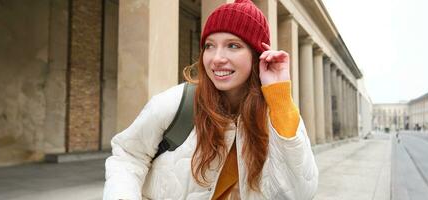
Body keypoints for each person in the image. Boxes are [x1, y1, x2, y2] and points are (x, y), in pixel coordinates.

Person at [103, 0, 318, 199]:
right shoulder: (176, 102)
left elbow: (300, 193)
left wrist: (280, 95)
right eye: (209, 45)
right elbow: (128, 156)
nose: (216, 58)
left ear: (257, 55)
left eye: (233, 45)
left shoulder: (277, 115)